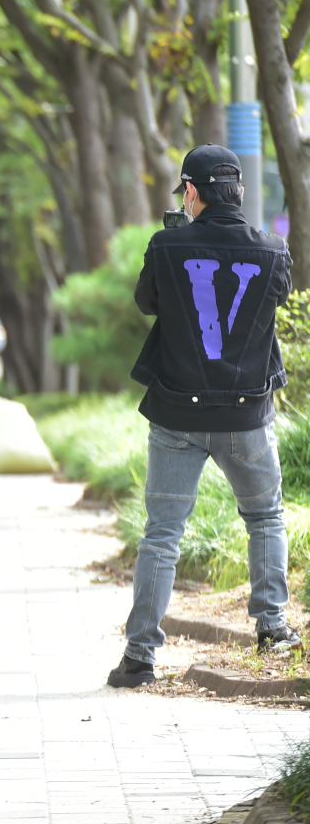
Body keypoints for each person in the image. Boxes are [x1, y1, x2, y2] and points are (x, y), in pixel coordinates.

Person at [109, 144, 301, 687]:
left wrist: (173, 238)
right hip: (246, 416)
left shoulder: (166, 245)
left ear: (191, 192)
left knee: (162, 534)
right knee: (264, 517)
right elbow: (277, 298)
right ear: (237, 191)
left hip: (175, 414)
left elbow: (148, 301)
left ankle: (140, 657)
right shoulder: (273, 249)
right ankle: (272, 626)